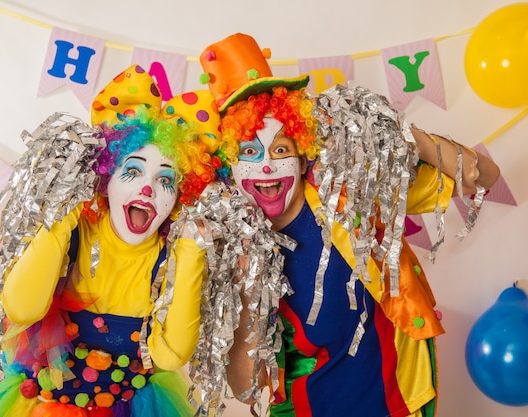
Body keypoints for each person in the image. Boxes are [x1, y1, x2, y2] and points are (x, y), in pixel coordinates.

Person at [196, 33, 500, 417]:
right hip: (307, 408)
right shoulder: (228, 252)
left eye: (281, 149)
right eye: (249, 153)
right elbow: (243, 388)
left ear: (304, 159)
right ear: (230, 170)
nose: (267, 166)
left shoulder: (353, 192)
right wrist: (246, 288)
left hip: (399, 397)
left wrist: (404, 135)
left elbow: (486, 175)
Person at [0, 64, 222, 417]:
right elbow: (21, 309)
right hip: (43, 402)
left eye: (166, 180)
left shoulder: (171, 258)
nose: (147, 188)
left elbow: (170, 355)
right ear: (107, 180)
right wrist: (62, 216)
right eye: (133, 171)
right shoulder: (76, 230)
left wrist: (191, 250)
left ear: (178, 198)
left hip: (128, 403)